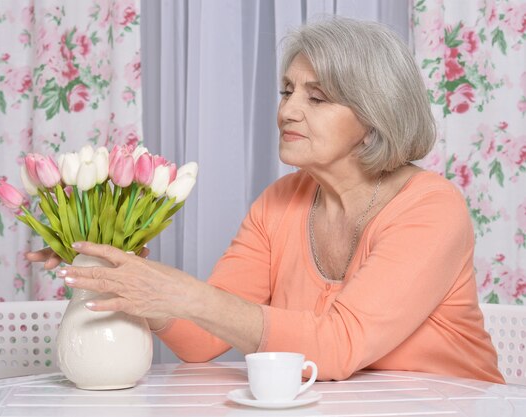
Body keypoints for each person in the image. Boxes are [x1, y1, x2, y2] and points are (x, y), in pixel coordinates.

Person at [27, 17, 504, 383]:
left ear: (375, 117)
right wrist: (126, 278)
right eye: (287, 91)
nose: (288, 110)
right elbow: (200, 337)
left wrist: (185, 293)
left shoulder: (430, 207)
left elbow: (339, 345)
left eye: (317, 98)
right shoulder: (279, 202)